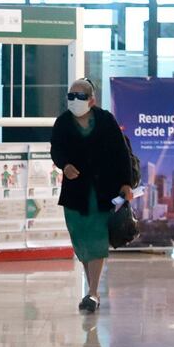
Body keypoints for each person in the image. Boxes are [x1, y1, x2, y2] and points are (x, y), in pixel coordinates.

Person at [50, 77, 133, 313]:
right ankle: (91, 290)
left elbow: (121, 153)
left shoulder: (106, 120)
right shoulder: (63, 122)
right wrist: (65, 165)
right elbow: (56, 150)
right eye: (71, 96)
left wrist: (126, 183)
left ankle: (93, 292)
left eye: (80, 96)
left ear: (92, 100)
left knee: (96, 240)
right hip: (75, 193)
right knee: (82, 241)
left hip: (102, 190)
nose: (74, 100)